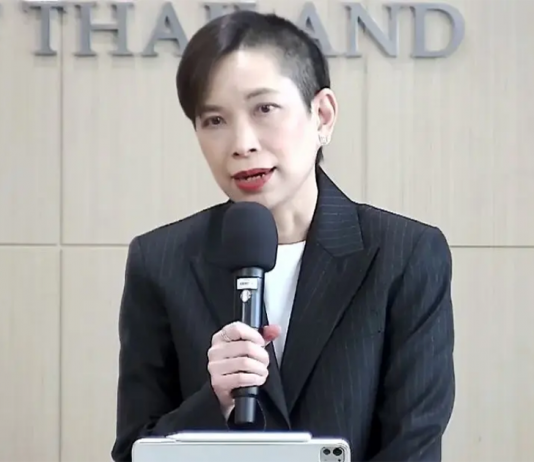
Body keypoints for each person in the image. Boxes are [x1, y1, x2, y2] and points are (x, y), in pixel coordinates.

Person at [111, 10, 455, 462]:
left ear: (322, 115)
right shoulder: (159, 261)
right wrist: (214, 402)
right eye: (214, 120)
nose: (242, 143)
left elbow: (413, 445)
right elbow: (134, 451)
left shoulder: (405, 254)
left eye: (264, 109)